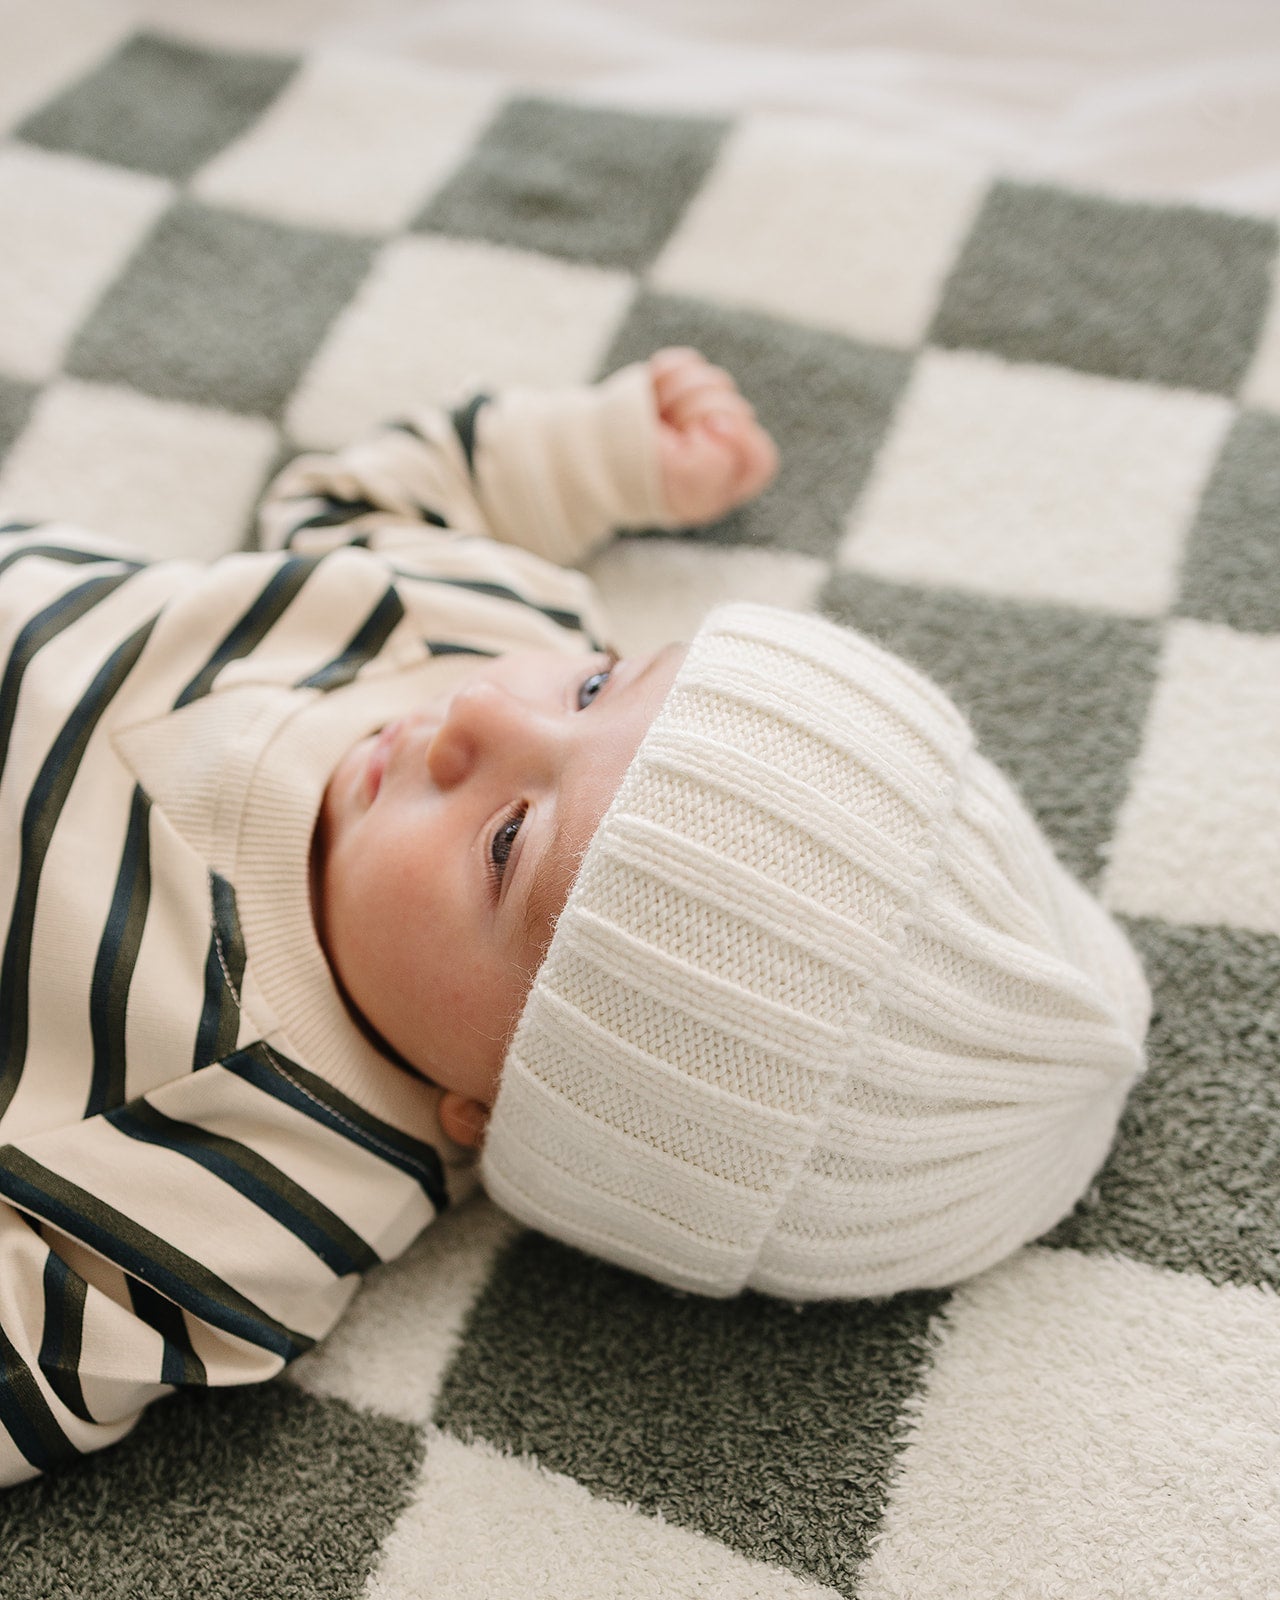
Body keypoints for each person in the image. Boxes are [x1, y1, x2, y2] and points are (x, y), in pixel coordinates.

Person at [0, 348, 1148, 1486]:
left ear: (492, 1107)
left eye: (506, 842)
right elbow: (366, 500)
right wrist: (603, 456)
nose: (484, 712)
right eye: (598, 687)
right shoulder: (477, 622)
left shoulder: (247, 1186)